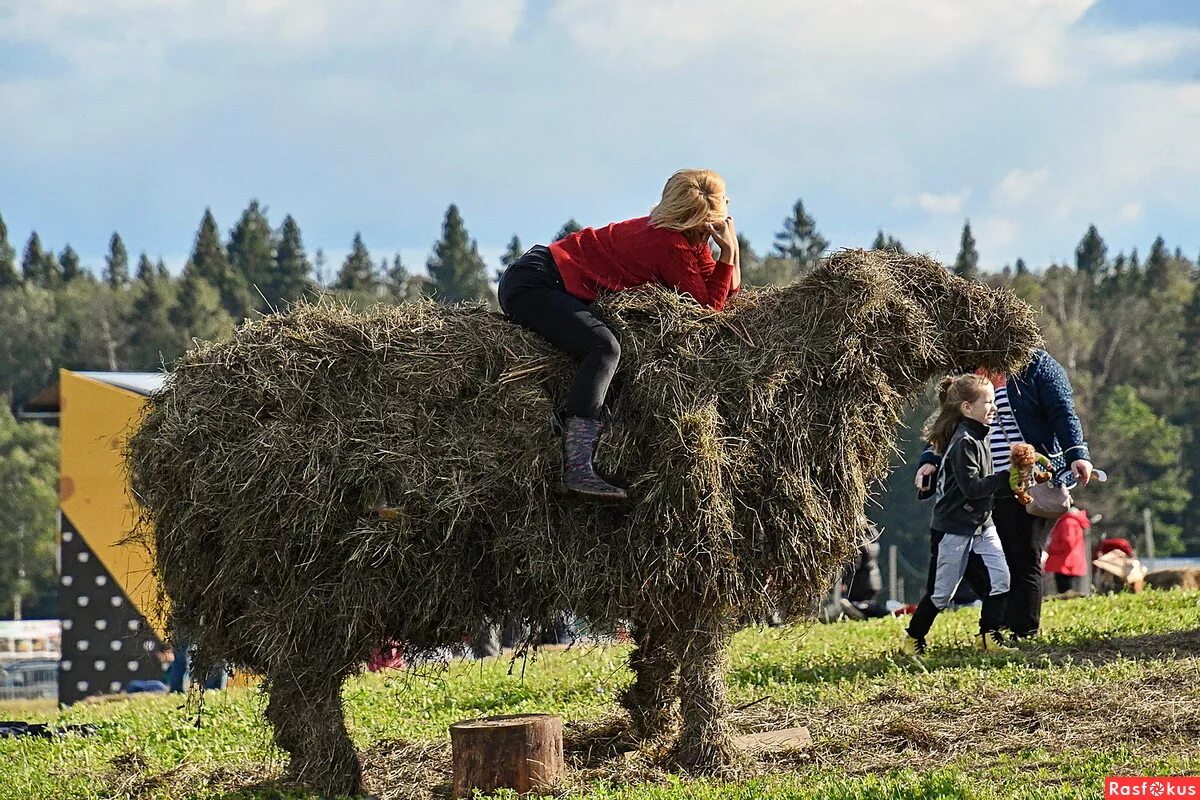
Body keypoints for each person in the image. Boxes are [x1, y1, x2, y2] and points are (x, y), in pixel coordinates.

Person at [497, 169, 742, 500]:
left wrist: (732, 249)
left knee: (605, 346)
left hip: (552, 281)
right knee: (604, 348)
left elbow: (725, 291)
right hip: (535, 283)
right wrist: (727, 253)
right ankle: (578, 468)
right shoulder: (669, 244)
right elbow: (705, 314)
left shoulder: (683, 237)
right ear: (697, 221)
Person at [914, 350, 1092, 640]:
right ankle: (1001, 619)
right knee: (974, 556)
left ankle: (1024, 630)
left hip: (1025, 480)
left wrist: (1077, 454)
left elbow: (1063, 412)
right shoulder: (969, 373)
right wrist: (930, 460)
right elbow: (947, 420)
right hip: (977, 484)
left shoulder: (1038, 367)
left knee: (1023, 555)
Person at [903, 374, 1015, 655]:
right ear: (967, 407)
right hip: (954, 528)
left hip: (981, 524)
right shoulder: (964, 441)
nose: (994, 408)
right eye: (988, 402)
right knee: (942, 594)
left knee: (1001, 578)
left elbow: (987, 488)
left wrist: (1018, 483)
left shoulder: (980, 435)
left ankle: (989, 636)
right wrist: (1008, 478)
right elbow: (973, 488)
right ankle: (913, 639)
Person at [1045, 505, 1091, 594]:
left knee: (1064, 591)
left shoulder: (1068, 522)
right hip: (1071, 561)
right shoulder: (1073, 521)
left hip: (1064, 562)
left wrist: (1052, 548)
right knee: (1069, 590)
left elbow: (1068, 542)